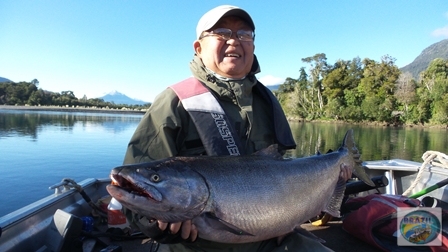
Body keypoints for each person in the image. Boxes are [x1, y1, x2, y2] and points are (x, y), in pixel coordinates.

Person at [122, 5, 351, 252]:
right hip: (198, 247)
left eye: (244, 34)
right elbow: (135, 203)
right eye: (221, 32)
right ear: (198, 48)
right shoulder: (173, 103)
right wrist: (159, 226)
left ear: (252, 46)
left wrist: (336, 174)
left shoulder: (267, 101)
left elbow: (281, 168)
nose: (234, 41)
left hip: (271, 239)